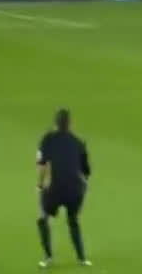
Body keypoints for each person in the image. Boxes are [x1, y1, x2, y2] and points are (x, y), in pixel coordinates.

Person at [36, 109, 92, 268]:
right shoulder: (78, 142)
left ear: (56, 123)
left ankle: (48, 258)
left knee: (42, 218)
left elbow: (42, 165)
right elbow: (86, 172)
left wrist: (40, 185)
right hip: (75, 189)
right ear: (70, 124)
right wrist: (83, 187)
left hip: (55, 188)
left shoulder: (47, 139)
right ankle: (82, 258)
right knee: (73, 220)